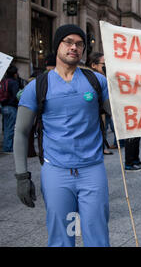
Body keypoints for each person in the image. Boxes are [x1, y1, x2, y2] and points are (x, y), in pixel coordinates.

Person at [13, 24, 111, 247]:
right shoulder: (37, 86)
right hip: (56, 172)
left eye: (79, 44)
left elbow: (120, 113)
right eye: (68, 42)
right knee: (61, 238)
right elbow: (21, 131)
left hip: (92, 170)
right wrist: (21, 176)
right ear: (57, 45)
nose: (74, 47)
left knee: (97, 237)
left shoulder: (96, 82)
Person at [85, 52, 114, 156]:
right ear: (93, 65)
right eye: (103, 64)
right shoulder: (90, 79)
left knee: (104, 127)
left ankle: (103, 146)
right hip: (97, 113)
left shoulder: (104, 78)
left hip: (104, 111)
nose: (106, 67)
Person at [1, 65, 20, 153]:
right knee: (11, 128)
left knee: (6, 128)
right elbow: (16, 95)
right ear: (15, 74)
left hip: (3, 106)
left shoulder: (3, 81)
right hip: (11, 107)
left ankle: (6, 146)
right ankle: (8, 147)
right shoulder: (13, 82)